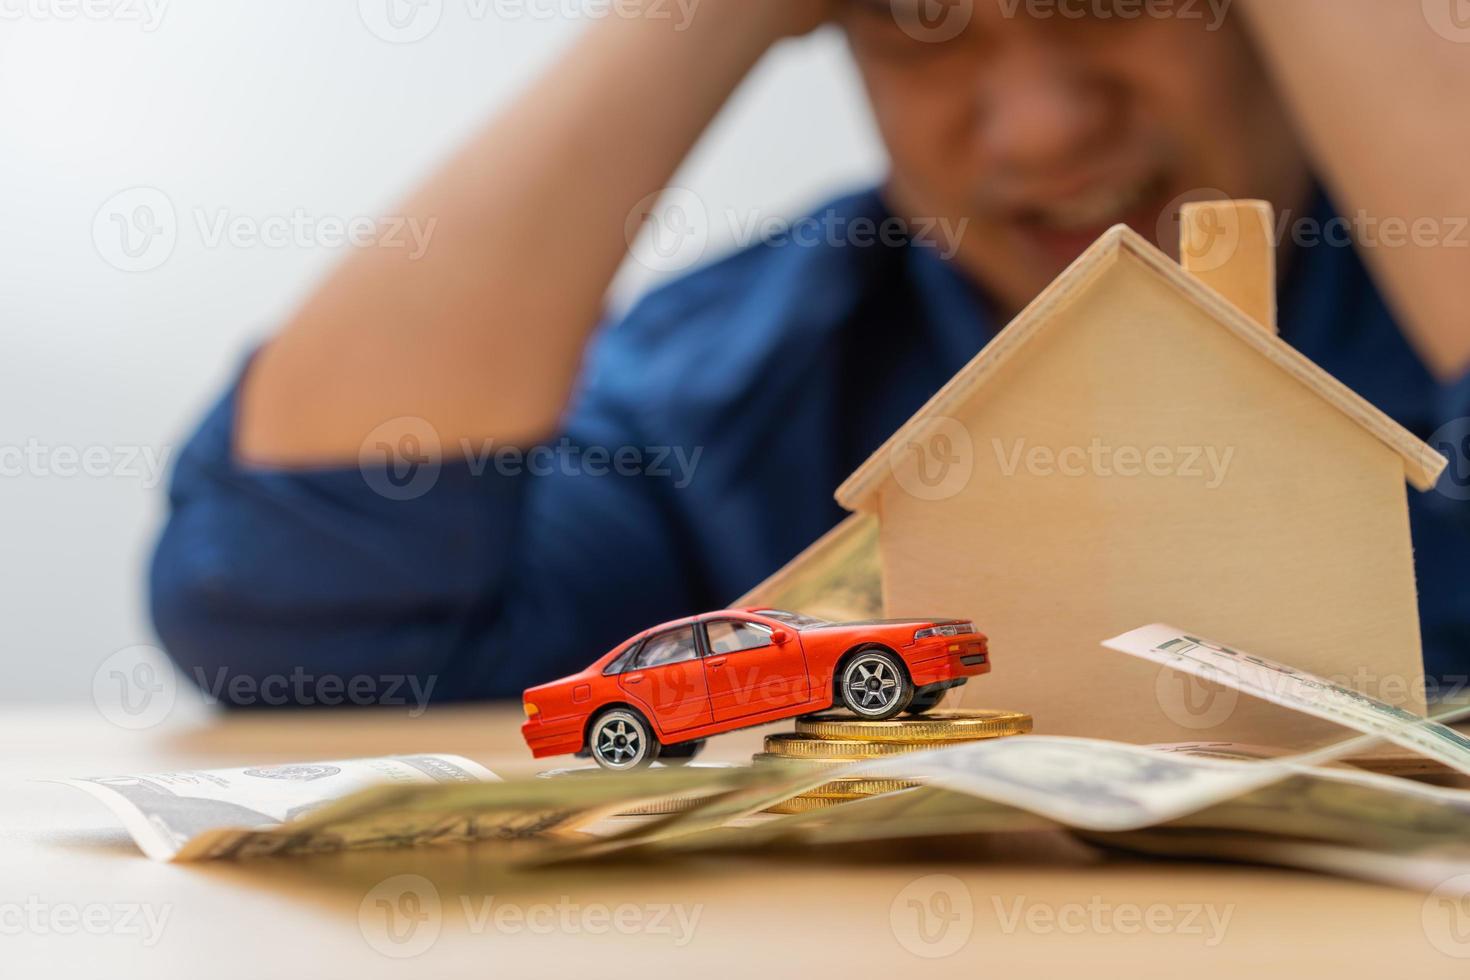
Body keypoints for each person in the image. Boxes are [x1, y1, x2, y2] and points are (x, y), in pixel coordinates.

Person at [150, 0, 1470, 705]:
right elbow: (299, 604)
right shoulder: (741, 382)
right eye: (916, 18)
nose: (1039, 131)